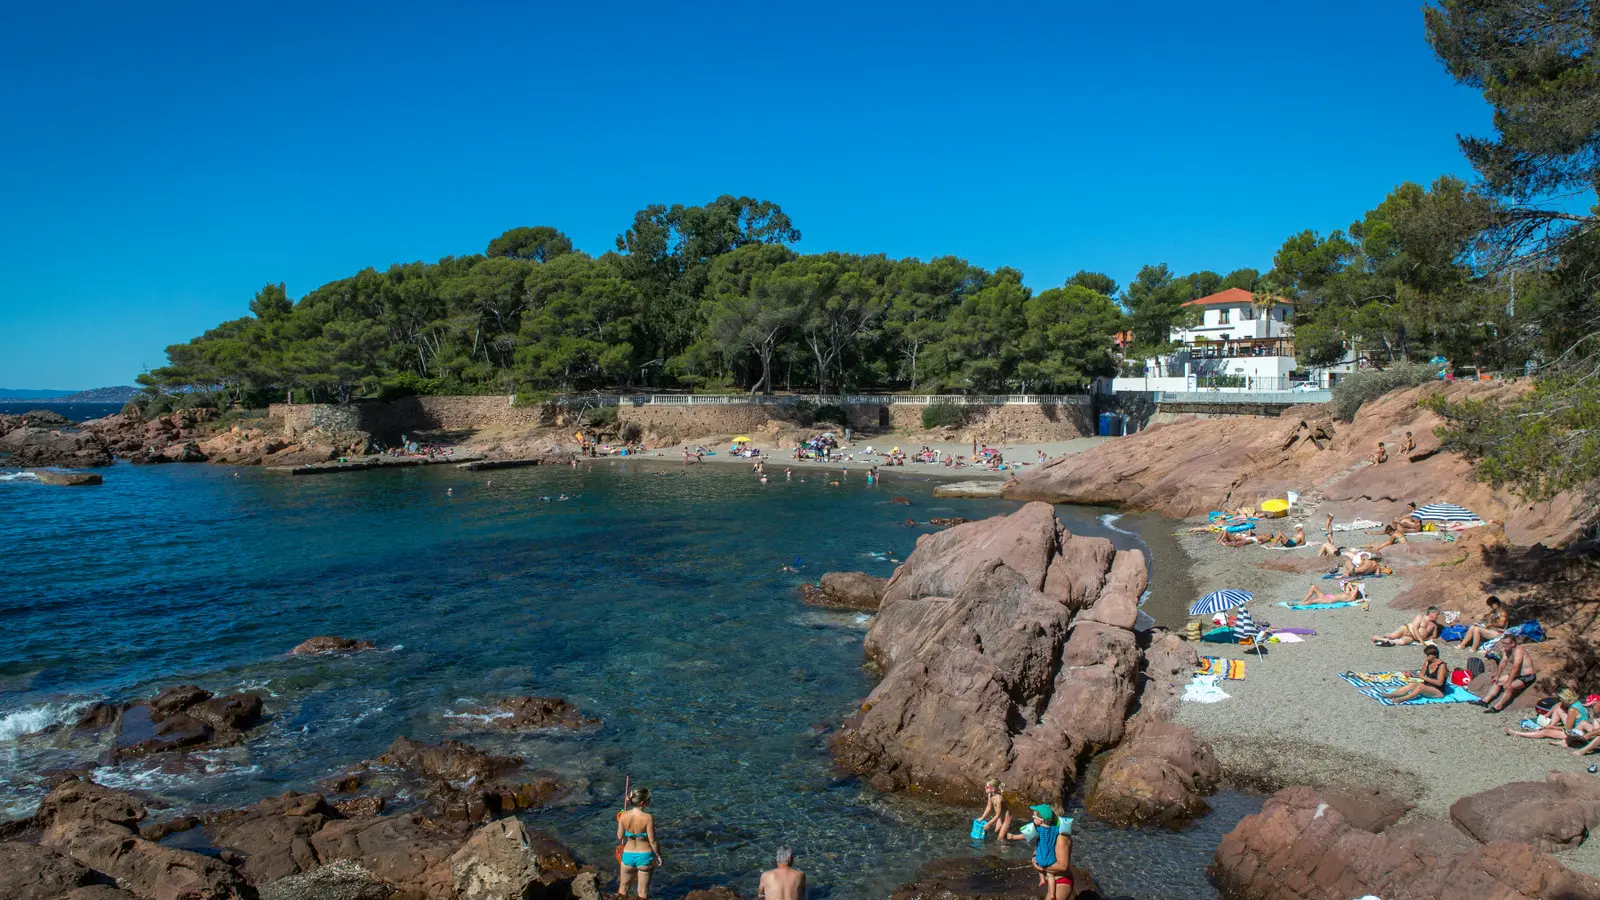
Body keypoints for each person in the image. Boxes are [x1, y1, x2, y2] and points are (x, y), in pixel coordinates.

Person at [616, 787, 661, 898]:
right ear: (642, 803)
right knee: (642, 893)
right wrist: (659, 856)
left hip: (627, 856)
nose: (650, 801)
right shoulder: (648, 818)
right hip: (644, 857)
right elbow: (653, 840)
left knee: (623, 888)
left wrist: (620, 821)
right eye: (648, 799)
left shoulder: (623, 816)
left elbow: (620, 836)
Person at [1477, 635, 1536, 713]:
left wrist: (1509, 681)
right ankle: (1485, 701)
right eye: (1503, 643)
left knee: (1510, 687)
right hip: (1518, 675)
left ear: (1513, 644)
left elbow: (1516, 666)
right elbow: (1503, 662)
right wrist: (1497, 676)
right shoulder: (1507, 650)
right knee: (1498, 681)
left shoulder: (1519, 650)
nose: (1505, 645)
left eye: (1507, 643)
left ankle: (1498, 706)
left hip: (1528, 676)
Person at [1507, 687, 1589, 741]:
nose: (1560, 700)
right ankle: (1549, 725)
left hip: (1576, 733)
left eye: (1561, 698)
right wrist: (1548, 714)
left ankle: (1518, 733)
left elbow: (1568, 729)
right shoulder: (1576, 702)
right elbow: (1558, 705)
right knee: (1558, 708)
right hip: (1579, 728)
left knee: (1546, 732)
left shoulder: (1572, 710)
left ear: (1565, 698)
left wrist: (1552, 727)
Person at [1028, 805, 1073, 900]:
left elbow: (1063, 866)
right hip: (1051, 879)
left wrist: (1041, 866)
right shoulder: (1046, 834)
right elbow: (1038, 849)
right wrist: (1034, 858)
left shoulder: (1061, 838)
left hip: (1061, 882)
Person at [1383, 644, 1450, 702]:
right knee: (1412, 684)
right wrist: (1411, 675)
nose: (1426, 657)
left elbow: (1439, 683)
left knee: (1421, 687)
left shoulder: (1442, 666)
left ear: (1433, 656)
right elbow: (1421, 674)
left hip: (1438, 691)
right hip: (1427, 686)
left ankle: (1402, 699)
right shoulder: (1428, 662)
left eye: (1427, 655)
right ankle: (1391, 695)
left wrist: (1424, 678)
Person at [1373, 607, 1441, 646]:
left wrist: (1425, 638)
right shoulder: (1420, 617)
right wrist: (1421, 640)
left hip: (1412, 637)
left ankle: (1381, 639)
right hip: (1407, 629)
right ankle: (1381, 637)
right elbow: (1415, 628)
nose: (1437, 617)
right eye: (1436, 615)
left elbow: (1434, 636)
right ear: (1431, 614)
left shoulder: (1434, 625)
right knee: (1392, 636)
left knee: (1402, 642)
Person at [1293, 581, 1365, 607]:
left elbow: (1357, 588)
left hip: (1329, 599)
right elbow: (1348, 584)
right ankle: (1304, 600)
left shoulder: (1351, 597)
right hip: (1327, 596)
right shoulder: (1348, 594)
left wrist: (1353, 588)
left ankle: (1298, 604)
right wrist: (1351, 586)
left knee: (1312, 601)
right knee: (1313, 587)